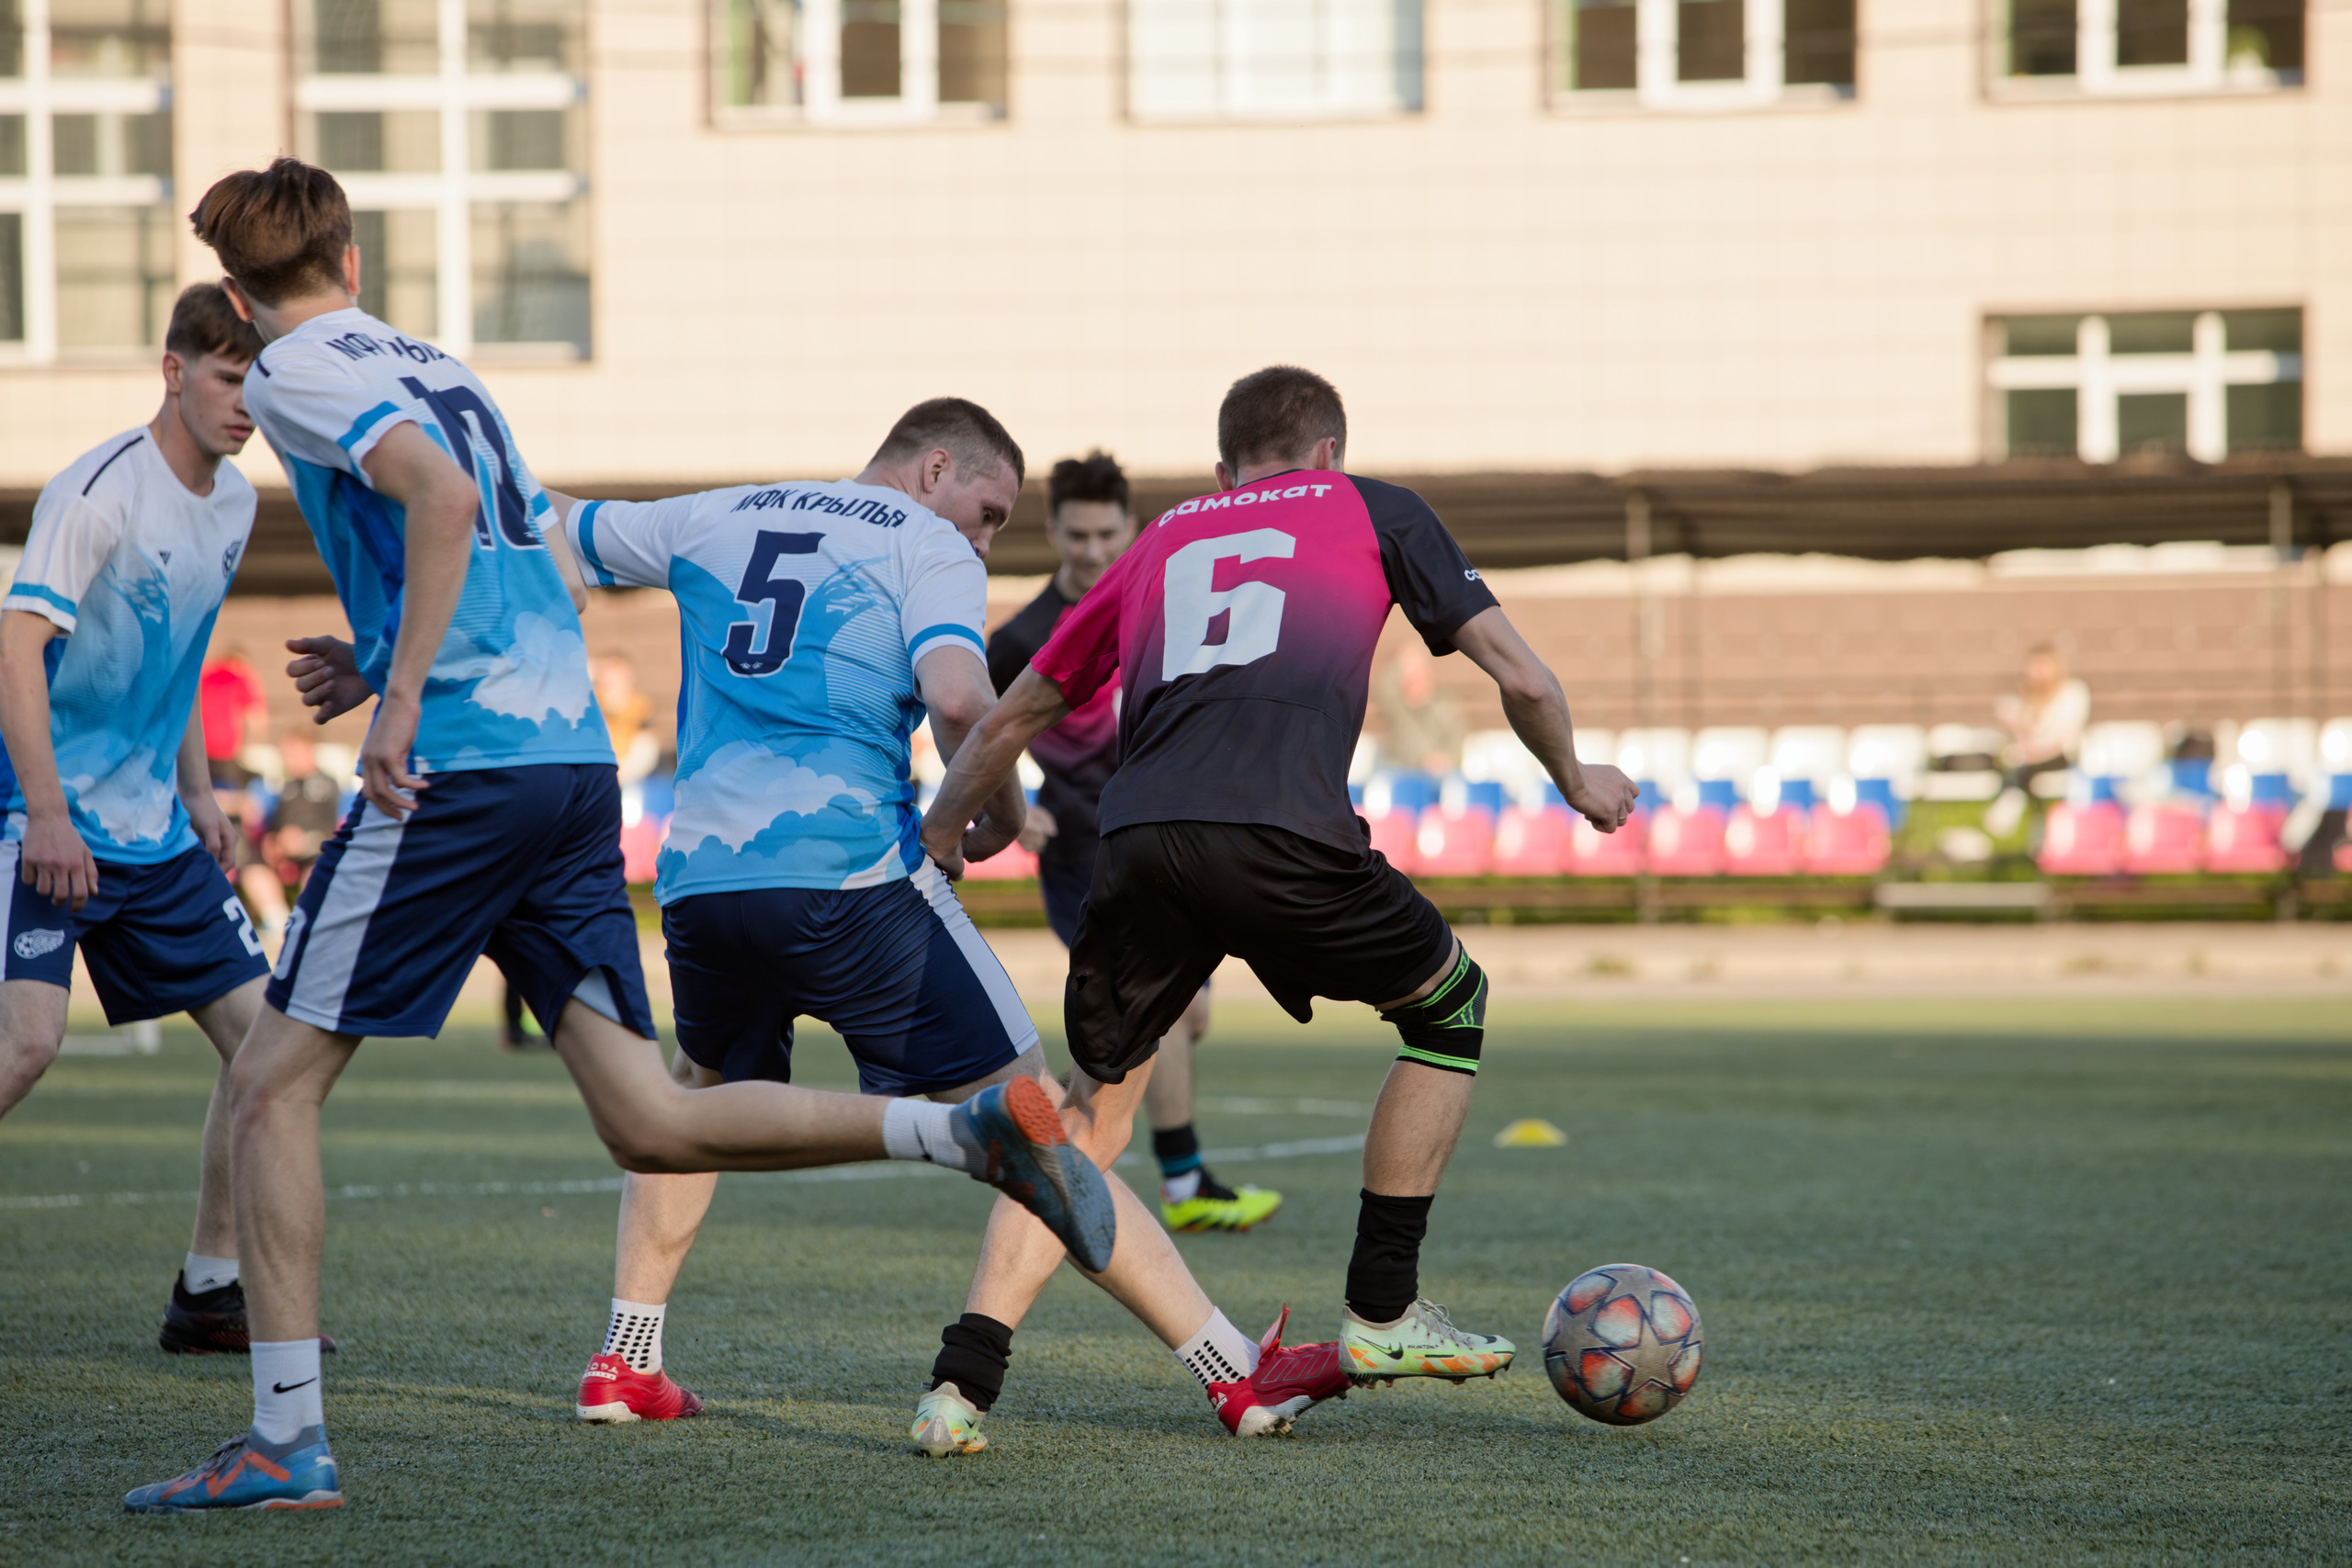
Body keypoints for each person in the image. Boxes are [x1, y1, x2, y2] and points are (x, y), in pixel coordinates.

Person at [127, 159, 1114, 1515]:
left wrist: (401, 688)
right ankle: (953, 1132)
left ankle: (286, 1439)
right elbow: (516, 530)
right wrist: (385, 650)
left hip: (463, 767)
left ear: (239, 295)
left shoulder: (295, 368)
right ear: (353, 261)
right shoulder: (433, 358)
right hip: (570, 762)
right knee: (656, 1117)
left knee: (267, 1085)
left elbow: (443, 502)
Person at [555, 405, 1341, 1450]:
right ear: (933, 468)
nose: (981, 541)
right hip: (852, 883)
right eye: (987, 514)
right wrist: (1005, 810)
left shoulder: (718, 511)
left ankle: (627, 1358)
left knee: (701, 1101)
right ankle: (1232, 1371)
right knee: (1038, 1125)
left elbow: (551, 524)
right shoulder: (919, 540)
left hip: (703, 886)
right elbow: (965, 703)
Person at [922, 365, 1640, 1402]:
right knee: (1449, 1009)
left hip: (1139, 842)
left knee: (1087, 1115)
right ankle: (1384, 1310)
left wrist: (945, 833)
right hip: (1280, 833)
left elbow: (1010, 716)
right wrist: (1576, 777)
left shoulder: (1164, 537)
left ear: (1226, 468)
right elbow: (1521, 676)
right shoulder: (1373, 509)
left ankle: (961, 1380)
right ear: (1329, 454)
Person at [0, 284, 288, 1358]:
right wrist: (45, 814)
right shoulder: (96, 493)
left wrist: (202, 795)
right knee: (24, 1047)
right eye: (226, 377)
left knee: (266, 1052)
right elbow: (14, 649)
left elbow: (176, 655)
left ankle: (211, 1287)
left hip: (154, 834)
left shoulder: (238, 503)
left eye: (258, 381)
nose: (245, 403)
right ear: (174, 372)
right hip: (41, 820)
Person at [985, 451, 1279, 1234]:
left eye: (1104, 533)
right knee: (1162, 1011)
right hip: (1086, 851)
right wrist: (1007, 802)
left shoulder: (1167, 604)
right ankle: (1177, 1180)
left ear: (1129, 530)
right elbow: (971, 725)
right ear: (1052, 530)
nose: (1089, 550)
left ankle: (1045, 1133)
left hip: (1170, 837)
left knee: (1181, 1017)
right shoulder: (1021, 636)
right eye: (1074, 534)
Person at [1984, 642, 2090, 839]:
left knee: (2018, 761)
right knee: (2014, 759)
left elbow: (2061, 738)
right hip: (2029, 762)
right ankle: (2031, 829)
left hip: (2063, 760)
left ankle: (2011, 798)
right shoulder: (2023, 700)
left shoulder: (2072, 694)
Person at [264, 731, 343, 895]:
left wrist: (303, 840)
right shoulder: (288, 786)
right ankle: (275, 916)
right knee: (254, 866)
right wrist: (272, 840)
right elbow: (277, 821)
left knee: (314, 869)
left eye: (292, 753)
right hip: (284, 848)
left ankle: (309, 915)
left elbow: (328, 826)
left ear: (308, 750)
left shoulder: (325, 783)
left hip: (314, 847)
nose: (288, 759)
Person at [1374, 640, 1466, 775]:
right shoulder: (1397, 707)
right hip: (1402, 773)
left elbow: (1457, 738)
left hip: (1439, 775)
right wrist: (1402, 661)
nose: (1416, 679)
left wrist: (1444, 759)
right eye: (1411, 674)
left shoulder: (1444, 705)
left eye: (1420, 671)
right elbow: (1384, 685)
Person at [198, 646, 269, 786]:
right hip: (226, 752)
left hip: (200, 750)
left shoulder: (204, 675)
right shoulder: (240, 678)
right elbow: (257, 718)